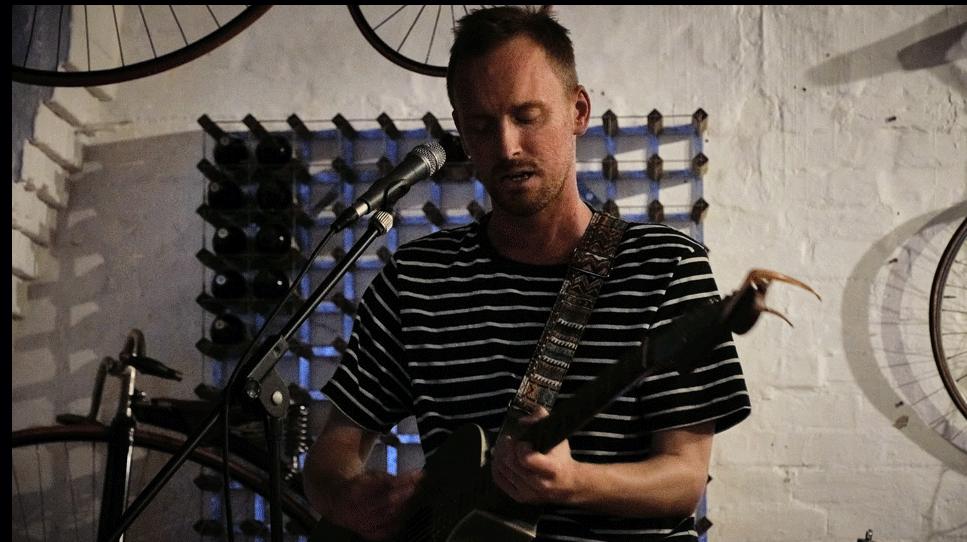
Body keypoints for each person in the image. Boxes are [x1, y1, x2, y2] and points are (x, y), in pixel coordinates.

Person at [304, 6, 750, 541]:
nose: (507, 146)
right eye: (482, 125)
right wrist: (349, 498)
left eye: (527, 116)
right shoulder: (414, 282)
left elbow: (683, 479)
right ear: (461, 135)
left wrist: (573, 483)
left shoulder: (667, 268)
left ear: (578, 110)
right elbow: (332, 455)